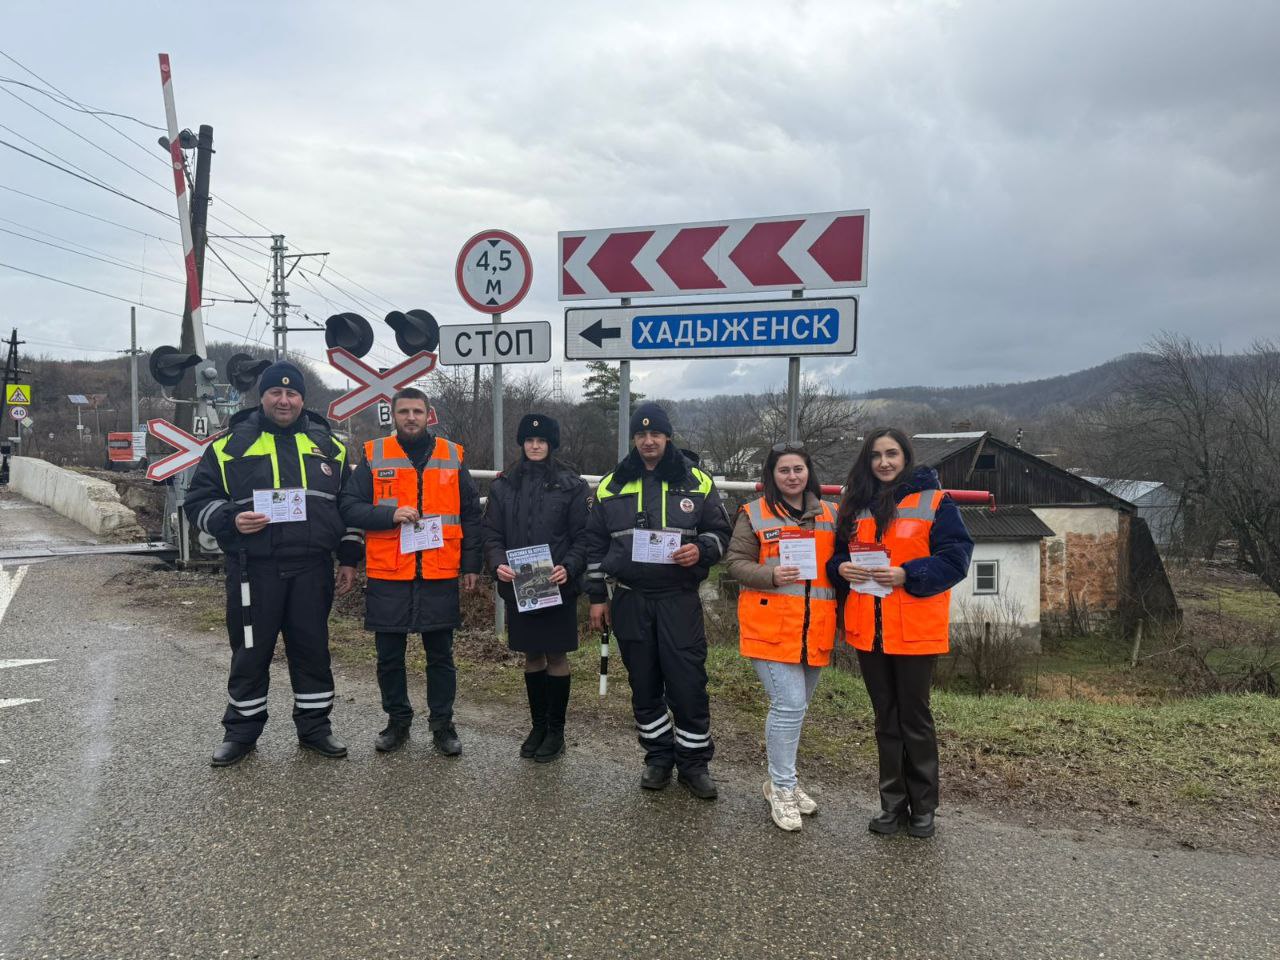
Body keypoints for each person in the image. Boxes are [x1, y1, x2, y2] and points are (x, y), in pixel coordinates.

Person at [184, 361, 362, 767]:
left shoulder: (330, 447)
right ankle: (241, 733)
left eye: (292, 393)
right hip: (253, 569)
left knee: (312, 650)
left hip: (312, 569)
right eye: (275, 393)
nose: (284, 400)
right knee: (250, 651)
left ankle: (315, 728)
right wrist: (229, 519)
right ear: (261, 397)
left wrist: (349, 557)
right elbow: (197, 501)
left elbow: (347, 508)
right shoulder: (228, 445)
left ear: (303, 398)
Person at [827, 428, 973, 838]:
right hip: (868, 629)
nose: (884, 462)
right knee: (885, 720)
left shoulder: (936, 502)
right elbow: (837, 555)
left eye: (892, 454)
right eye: (876, 455)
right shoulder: (854, 505)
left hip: (913, 629)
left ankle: (924, 806)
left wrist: (908, 574)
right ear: (867, 461)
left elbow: (956, 559)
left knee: (915, 720)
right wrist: (840, 567)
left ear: (906, 457)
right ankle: (892, 804)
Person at [584, 402, 732, 799]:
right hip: (630, 599)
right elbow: (594, 545)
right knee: (644, 683)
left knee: (687, 683)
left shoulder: (697, 480)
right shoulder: (610, 484)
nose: (648, 441)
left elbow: (721, 532)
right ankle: (658, 757)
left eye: (656, 434)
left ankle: (694, 764)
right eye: (641, 434)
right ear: (634, 439)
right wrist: (597, 596)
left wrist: (700, 550)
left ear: (668, 437)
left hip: (677, 599)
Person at [338, 387, 482, 757]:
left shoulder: (452, 455)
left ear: (428, 414)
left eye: (418, 411)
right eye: (404, 412)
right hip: (389, 573)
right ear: (393, 415)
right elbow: (350, 508)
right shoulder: (374, 455)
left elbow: (470, 515)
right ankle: (397, 722)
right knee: (388, 656)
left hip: (438, 571)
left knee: (441, 656)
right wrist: (388, 515)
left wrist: (471, 565)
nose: (411, 417)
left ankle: (442, 725)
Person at [725, 442, 838, 831]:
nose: (792, 476)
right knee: (788, 706)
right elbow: (735, 563)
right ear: (771, 476)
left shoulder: (830, 513)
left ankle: (780, 781)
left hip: (815, 628)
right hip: (770, 627)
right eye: (784, 470)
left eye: (799, 469)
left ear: (809, 472)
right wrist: (769, 575)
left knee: (797, 710)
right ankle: (784, 788)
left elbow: (838, 564)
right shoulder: (754, 513)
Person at [482, 413, 589, 762]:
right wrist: (497, 562)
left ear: (552, 444)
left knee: (556, 655)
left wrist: (569, 568)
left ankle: (556, 732)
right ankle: (538, 726)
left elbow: (583, 537)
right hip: (519, 586)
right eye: (529, 440)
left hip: (556, 584)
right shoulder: (503, 485)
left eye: (541, 441)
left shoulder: (571, 485)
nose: (535, 445)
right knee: (531, 655)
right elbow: (492, 534)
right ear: (522, 443)